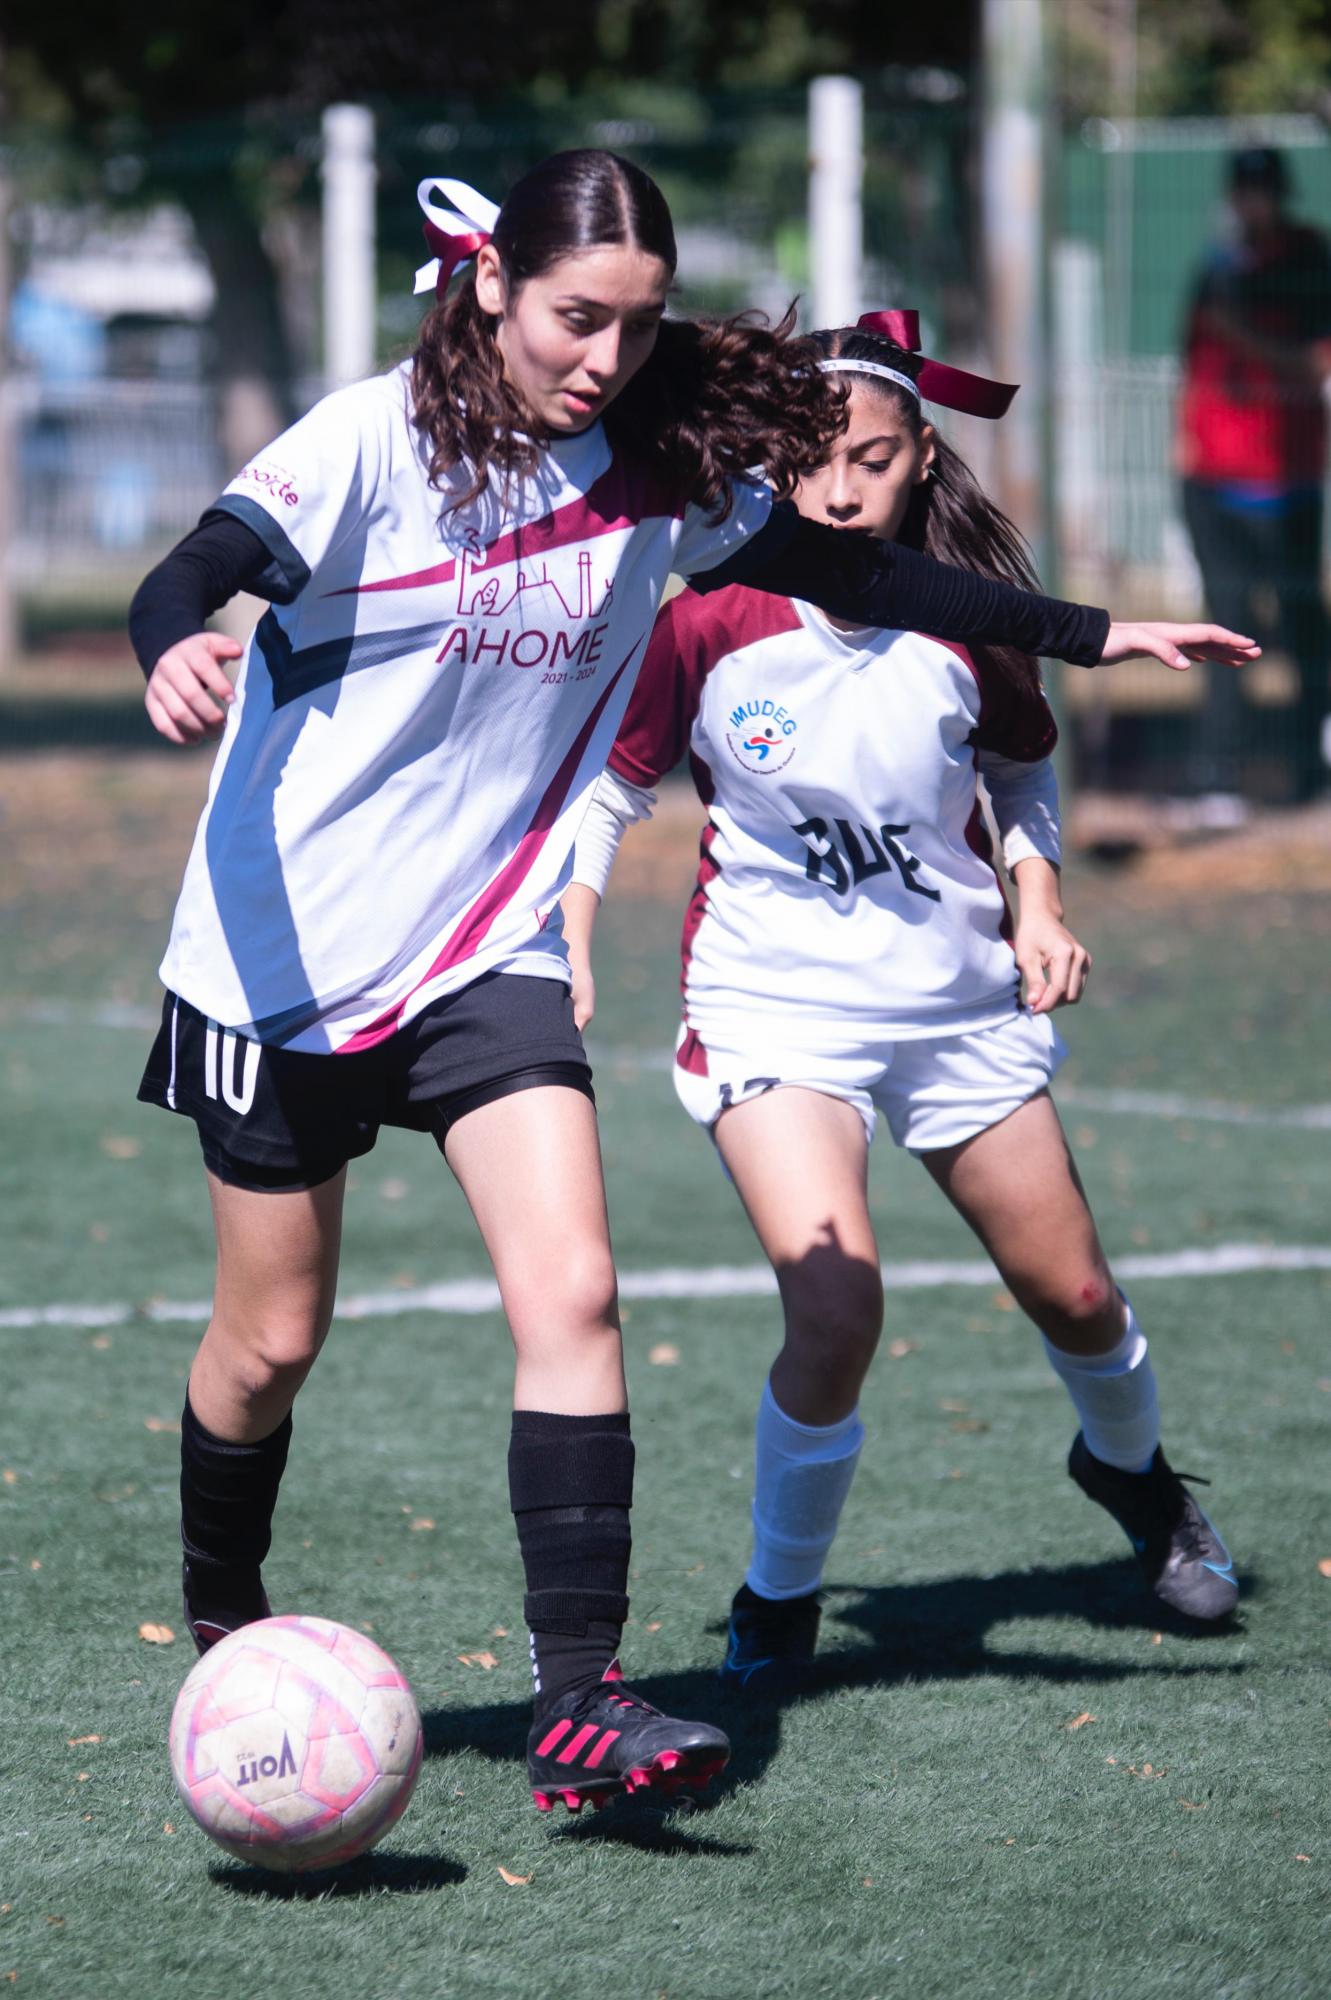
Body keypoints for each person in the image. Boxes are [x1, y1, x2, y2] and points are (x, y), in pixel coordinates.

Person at [129, 152, 1253, 1815]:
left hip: (485, 943)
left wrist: (1090, 632)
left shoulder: (653, 464)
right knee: (269, 1342)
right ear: (496, 283)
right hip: (280, 952)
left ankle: (581, 1698)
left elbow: (857, 576)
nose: (604, 356)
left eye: (640, 327)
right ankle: (227, 1608)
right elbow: (196, 560)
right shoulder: (371, 438)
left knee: (575, 1292)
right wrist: (176, 640)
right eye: (579, 317)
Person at [565, 311, 1240, 1693]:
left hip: (951, 1004)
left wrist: (1038, 901)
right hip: (772, 1005)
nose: (838, 488)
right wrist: (566, 935)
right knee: (837, 1306)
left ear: (917, 456)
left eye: (870, 459)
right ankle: (778, 1596)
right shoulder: (705, 611)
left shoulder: (959, 615)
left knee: (1075, 1296)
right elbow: (608, 787)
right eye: (810, 461)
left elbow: (1016, 772)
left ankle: (1139, 1483)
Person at [1177, 143, 1331, 814]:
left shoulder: (1307, 263)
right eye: (1242, 191)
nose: (1250, 204)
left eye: (1261, 190)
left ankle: (1309, 766)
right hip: (1212, 478)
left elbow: (1310, 364)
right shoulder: (1215, 268)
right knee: (1226, 624)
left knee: (1300, 624)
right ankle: (1218, 775)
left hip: (1287, 478)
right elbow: (1194, 362)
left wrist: (1241, 334)